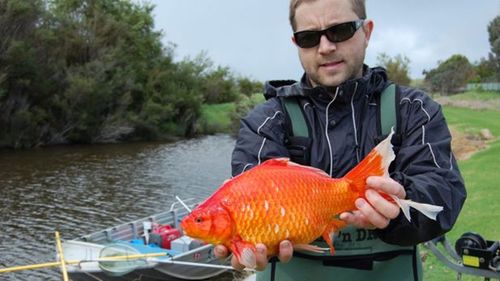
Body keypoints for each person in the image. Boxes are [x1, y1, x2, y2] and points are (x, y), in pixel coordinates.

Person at [215, 0, 467, 280]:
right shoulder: (266, 121)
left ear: (367, 32)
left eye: (341, 30)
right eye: (309, 37)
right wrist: (247, 245)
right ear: (296, 43)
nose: (325, 47)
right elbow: (249, 194)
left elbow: (444, 193)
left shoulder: (412, 109)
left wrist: (402, 202)